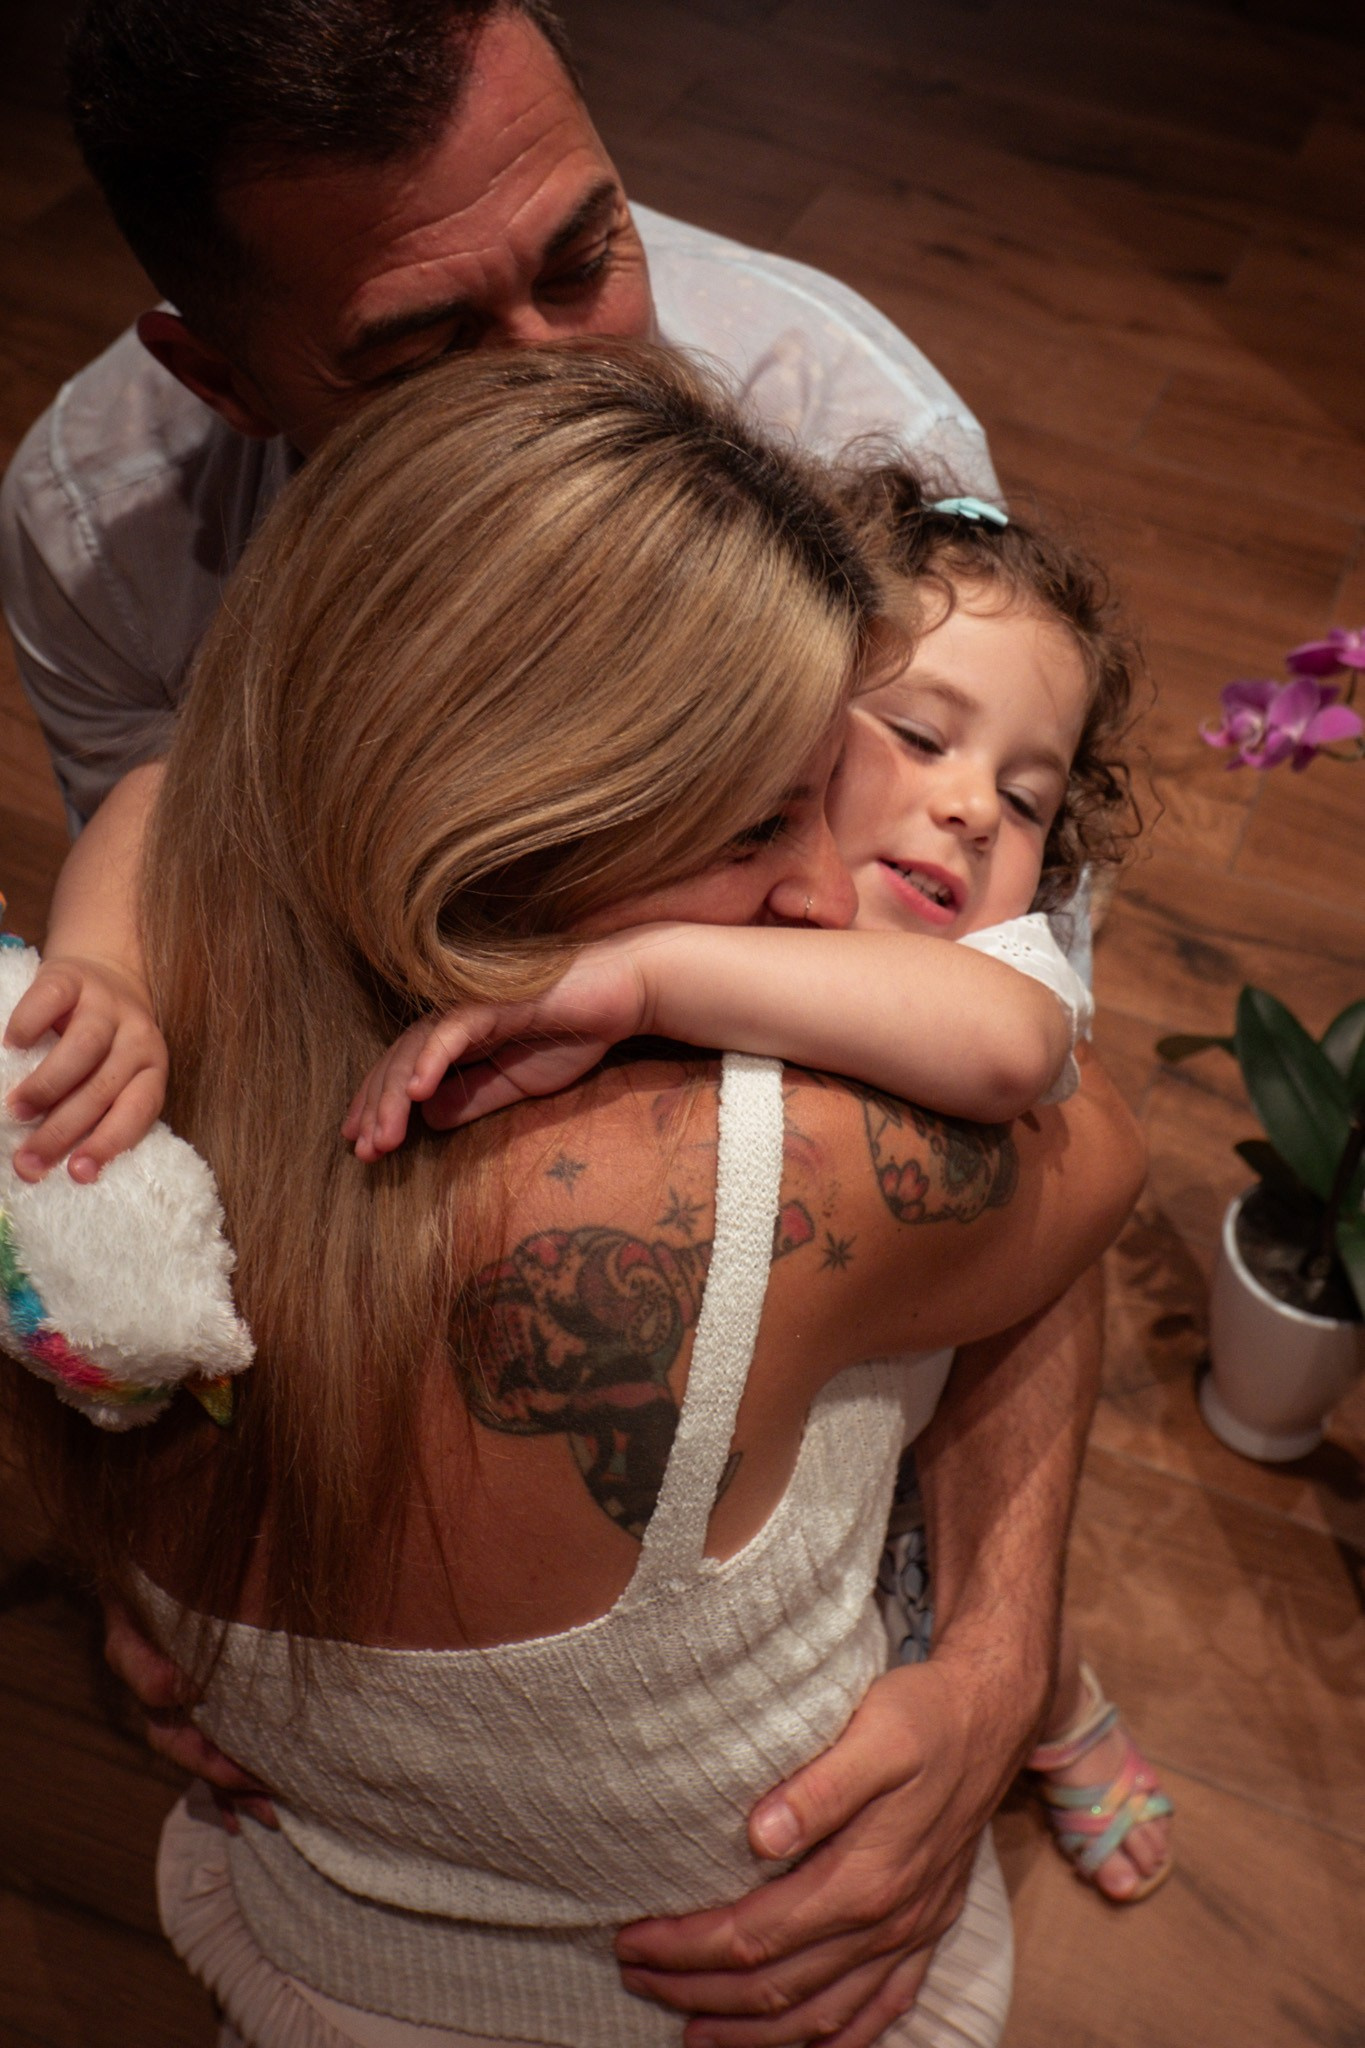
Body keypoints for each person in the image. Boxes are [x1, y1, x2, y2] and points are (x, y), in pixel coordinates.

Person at [0, 0, 1107, 2018]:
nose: (557, 376)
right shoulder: (97, 528)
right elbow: (1062, 1155)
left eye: (587, 252)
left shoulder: (884, 476)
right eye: (418, 345)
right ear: (219, 372)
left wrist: (998, 1653)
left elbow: (1027, 1060)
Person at [350, 474, 1174, 1905]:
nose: (972, 810)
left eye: (1026, 798)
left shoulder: (988, 965)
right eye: (919, 735)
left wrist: (646, 979)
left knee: (960, 1586)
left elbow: (1009, 1050)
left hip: (910, 1445)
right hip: (745, 1458)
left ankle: (1051, 1689)